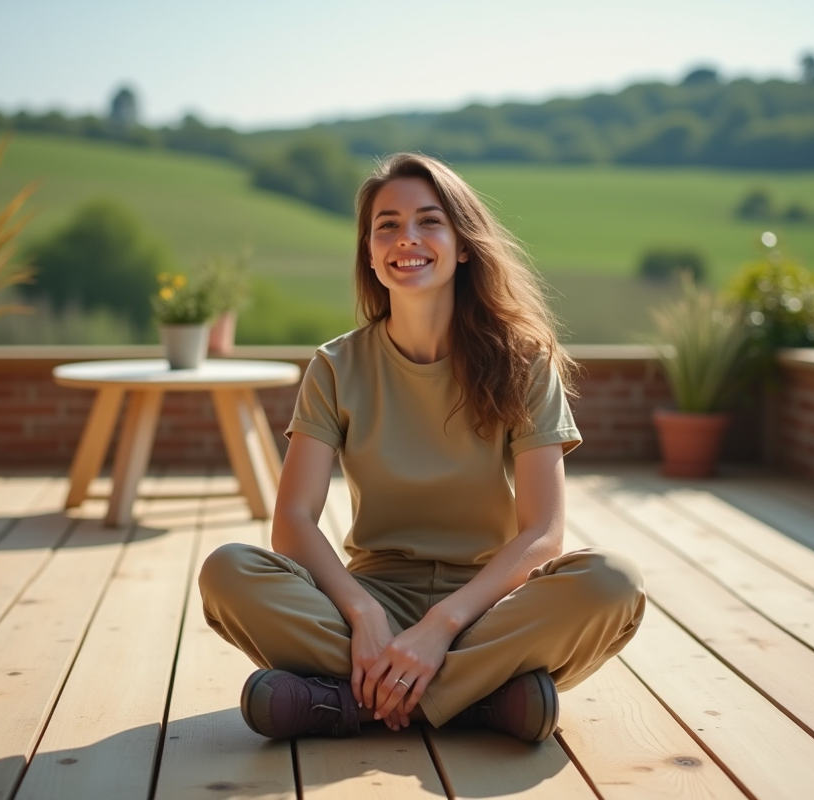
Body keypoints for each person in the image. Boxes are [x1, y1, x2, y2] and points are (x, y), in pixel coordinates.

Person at [200, 152, 644, 743]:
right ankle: (480, 699)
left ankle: (352, 703)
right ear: (369, 252)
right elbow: (295, 521)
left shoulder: (524, 361)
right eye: (387, 225)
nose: (406, 237)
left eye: (428, 221)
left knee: (612, 581)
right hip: (371, 601)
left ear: (463, 244)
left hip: (488, 607)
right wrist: (362, 614)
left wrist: (442, 624)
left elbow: (543, 534)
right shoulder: (336, 366)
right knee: (228, 571)